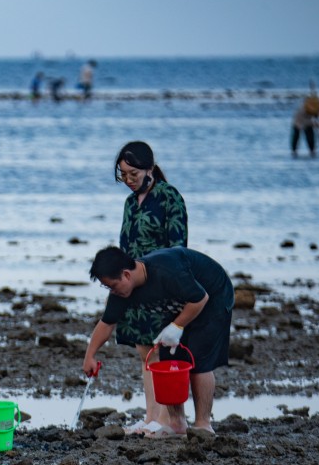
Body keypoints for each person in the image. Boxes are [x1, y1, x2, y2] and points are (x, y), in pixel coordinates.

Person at [82, 246, 234, 436]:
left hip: (213, 297)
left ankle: (203, 424)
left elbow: (200, 298)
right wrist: (90, 355)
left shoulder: (167, 270)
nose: (111, 291)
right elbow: (106, 323)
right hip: (180, 304)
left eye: (112, 285)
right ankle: (177, 423)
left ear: (126, 275)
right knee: (170, 361)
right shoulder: (122, 291)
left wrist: (176, 327)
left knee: (199, 360)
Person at [113, 141, 189, 433]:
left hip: (162, 287)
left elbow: (178, 248)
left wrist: (169, 287)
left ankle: (165, 420)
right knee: (144, 353)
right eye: (123, 175)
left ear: (149, 168)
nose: (129, 181)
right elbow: (125, 245)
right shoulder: (130, 203)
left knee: (160, 355)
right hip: (134, 287)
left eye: (133, 174)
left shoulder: (169, 197)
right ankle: (150, 417)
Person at [291, 94, 319, 158]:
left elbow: (315, 113)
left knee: (310, 136)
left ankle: (312, 151)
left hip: (307, 123)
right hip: (298, 123)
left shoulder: (312, 106)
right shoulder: (302, 109)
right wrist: (315, 124)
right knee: (296, 137)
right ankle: (294, 151)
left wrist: (316, 115)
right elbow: (304, 122)